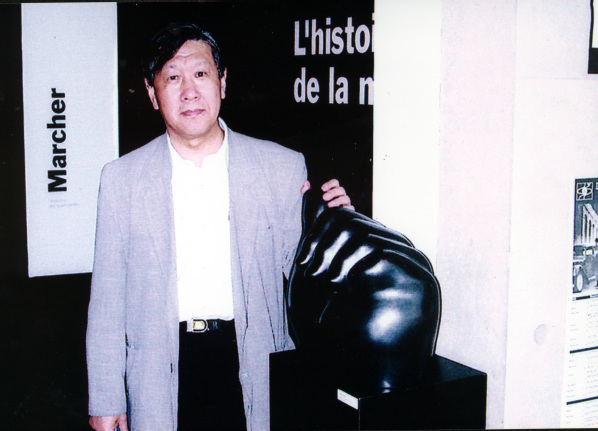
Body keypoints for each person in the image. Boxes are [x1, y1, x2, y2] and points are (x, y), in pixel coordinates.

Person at [86, 22, 353, 431]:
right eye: (172, 78)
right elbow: (107, 301)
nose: (189, 91)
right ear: (152, 93)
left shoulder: (280, 167)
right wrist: (106, 398)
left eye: (201, 73)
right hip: (159, 372)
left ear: (222, 82)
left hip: (252, 363)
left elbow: (307, 281)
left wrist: (338, 226)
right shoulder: (122, 179)